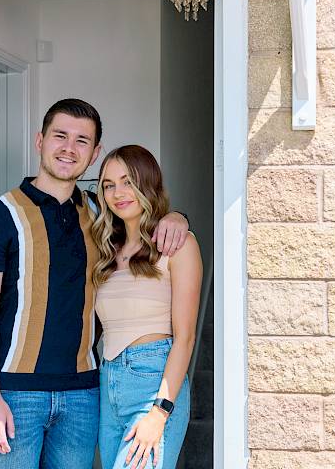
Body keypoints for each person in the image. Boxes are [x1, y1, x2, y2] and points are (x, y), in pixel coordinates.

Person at [0, 99, 190, 468]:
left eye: (82, 140)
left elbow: (146, 218)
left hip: (84, 396)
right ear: (40, 141)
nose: (69, 148)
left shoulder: (102, 215)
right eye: (60, 136)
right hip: (14, 395)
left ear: (95, 152)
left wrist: (179, 217)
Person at [92, 145, 202, 469]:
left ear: (147, 184)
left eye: (127, 181)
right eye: (109, 184)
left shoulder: (177, 244)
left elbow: (186, 338)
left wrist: (160, 412)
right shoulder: (105, 250)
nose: (117, 193)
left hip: (153, 383)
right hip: (107, 383)